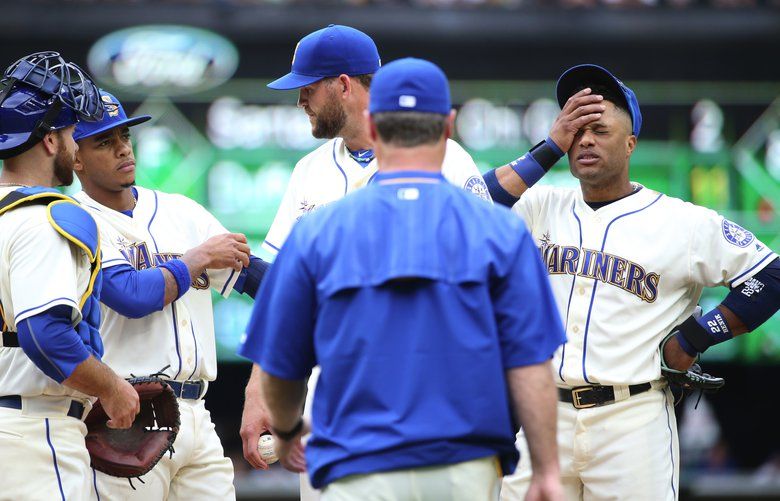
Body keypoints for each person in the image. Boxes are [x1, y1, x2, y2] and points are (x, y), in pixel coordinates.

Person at [239, 57, 566, 501]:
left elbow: (281, 359)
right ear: (448, 126)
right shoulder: (500, 231)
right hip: (463, 464)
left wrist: (288, 427)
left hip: (356, 462)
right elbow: (530, 364)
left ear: (372, 125)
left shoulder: (319, 230)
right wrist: (546, 470)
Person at [480, 64, 780, 500]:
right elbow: (467, 207)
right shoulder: (540, 206)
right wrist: (546, 148)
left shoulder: (683, 222)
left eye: (599, 130)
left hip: (631, 419)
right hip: (544, 417)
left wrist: (696, 337)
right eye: (575, 129)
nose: (584, 140)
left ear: (630, 143)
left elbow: (770, 275)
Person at [70, 90, 270, 500]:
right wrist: (197, 259)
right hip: (125, 415)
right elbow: (131, 296)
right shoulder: (76, 219)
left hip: (197, 412)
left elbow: (260, 281)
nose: (123, 148)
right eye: (103, 142)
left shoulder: (182, 211)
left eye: (124, 135)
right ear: (75, 159)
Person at [0, 52, 140, 500]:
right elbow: (45, 335)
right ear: (48, 141)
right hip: (33, 436)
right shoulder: (46, 218)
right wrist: (112, 389)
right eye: (70, 132)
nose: (76, 144)